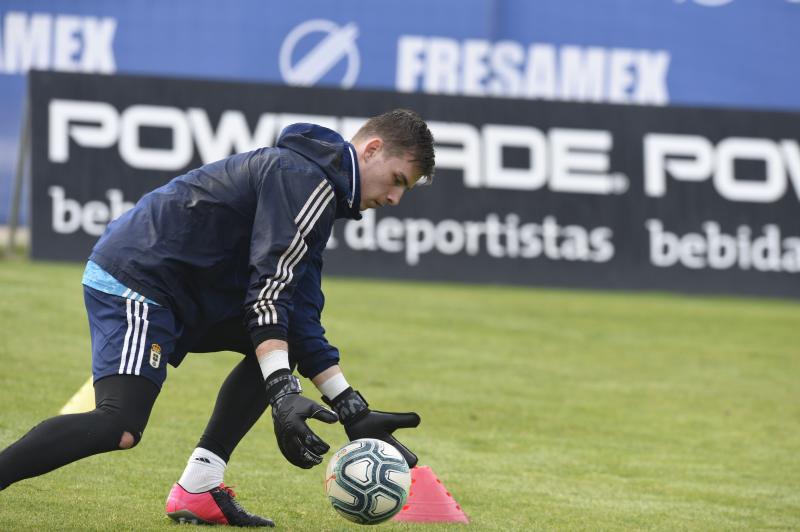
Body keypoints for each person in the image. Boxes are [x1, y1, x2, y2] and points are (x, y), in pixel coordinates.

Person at [0, 109, 435, 527]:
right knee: (119, 425)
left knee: (281, 345)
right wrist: (283, 393)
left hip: (182, 292)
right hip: (141, 281)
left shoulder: (318, 188)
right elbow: (270, 290)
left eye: (406, 190)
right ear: (372, 148)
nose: (395, 198)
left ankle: (200, 487)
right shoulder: (305, 180)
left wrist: (350, 407)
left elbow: (300, 313)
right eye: (398, 180)